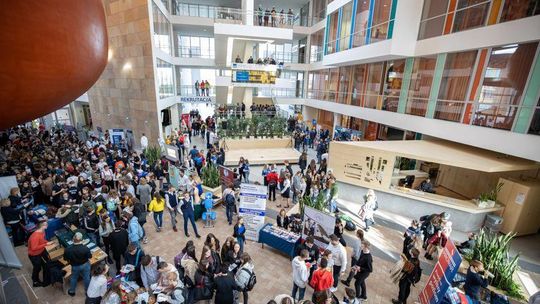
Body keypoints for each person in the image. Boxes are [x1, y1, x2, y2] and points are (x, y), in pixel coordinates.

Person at [64, 232, 92, 296]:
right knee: (86, 278)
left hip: (75, 266)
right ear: (82, 239)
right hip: (85, 265)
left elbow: (65, 259)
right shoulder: (85, 248)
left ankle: (72, 291)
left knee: (73, 278)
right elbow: (90, 256)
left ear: (73, 239)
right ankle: (87, 292)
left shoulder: (68, 249)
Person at [27, 221, 53, 287]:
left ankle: (47, 279)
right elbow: (34, 248)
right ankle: (35, 281)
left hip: (41, 251)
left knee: (46, 264)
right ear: (42, 226)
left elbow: (42, 240)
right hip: (34, 255)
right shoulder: (35, 236)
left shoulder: (42, 231)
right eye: (45, 224)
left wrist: (47, 242)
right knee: (37, 268)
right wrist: (46, 244)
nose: (47, 225)